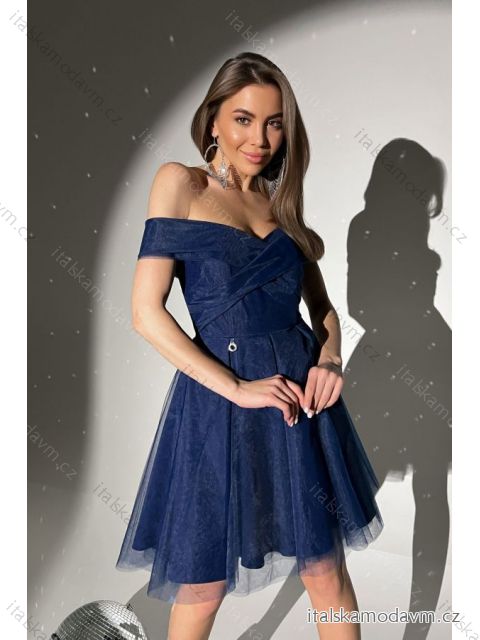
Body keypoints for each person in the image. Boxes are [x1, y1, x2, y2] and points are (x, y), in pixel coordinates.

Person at [116, 51, 383, 640]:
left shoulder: (280, 204)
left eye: (273, 123)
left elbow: (322, 309)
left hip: (298, 406)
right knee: (203, 586)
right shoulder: (180, 183)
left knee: (324, 571)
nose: (259, 139)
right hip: (220, 403)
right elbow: (145, 313)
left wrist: (329, 358)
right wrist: (237, 388)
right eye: (243, 119)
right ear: (213, 119)